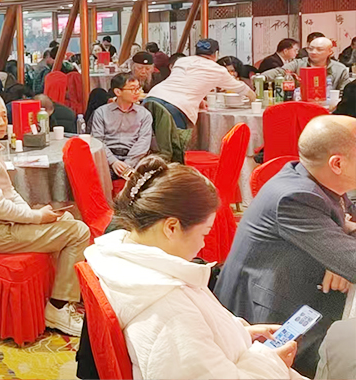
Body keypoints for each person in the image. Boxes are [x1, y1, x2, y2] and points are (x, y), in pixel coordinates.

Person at [85, 157, 304, 380]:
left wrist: (239, 333)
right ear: (171, 228)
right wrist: (271, 361)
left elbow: (195, 344)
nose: (202, 244)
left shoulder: (126, 262)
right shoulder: (168, 310)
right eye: (203, 233)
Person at [215, 115, 356, 377]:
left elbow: (346, 234)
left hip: (304, 294)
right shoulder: (295, 197)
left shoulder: (315, 178)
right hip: (271, 322)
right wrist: (340, 255)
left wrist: (337, 250)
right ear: (337, 164)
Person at [0, 91, 90, 336]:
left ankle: (59, 295)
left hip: (3, 224)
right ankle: (58, 308)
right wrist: (36, 218)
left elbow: (9, 192)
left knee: (66, 218)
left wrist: (31, 213)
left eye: (3, 117)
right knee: (78, 231)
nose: (1, 123)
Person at [145, 39, 255, 129]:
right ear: (216, 54)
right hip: (175, 107)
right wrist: (254, 98)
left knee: (149, 142)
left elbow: (182, 82)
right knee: (173, 145)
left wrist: (199, 99)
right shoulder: (217, 69)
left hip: (152, 98)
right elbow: (242, 89)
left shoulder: (182, 61)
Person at [91, 73, 153, 178]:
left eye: (138, 88)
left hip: (134, 158)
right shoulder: (101, 112)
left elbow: (143, 142)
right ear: (118, 92)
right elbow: (98, 140)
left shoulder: (144, 114)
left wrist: (127, 164)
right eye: (132, 89)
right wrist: (113, 161)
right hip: (107, 157)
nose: (137, 92)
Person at [263, 36, 353, 92]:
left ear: (330, 52)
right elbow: (279, 71)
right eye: (310, 48)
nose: (313, 52)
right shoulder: (298, 63)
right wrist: (262, 77)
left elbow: (344, 92)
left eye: (319, 49)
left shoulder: (340, 69)